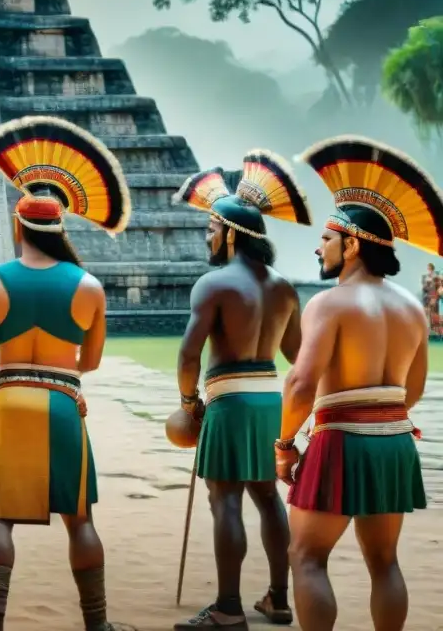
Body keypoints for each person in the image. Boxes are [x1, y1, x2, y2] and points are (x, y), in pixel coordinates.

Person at [0, 115, 131, 631]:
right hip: (62, 403)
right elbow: (93, 361)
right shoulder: (89, 287)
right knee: (80, 519)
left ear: (19, 226)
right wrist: (62, 380)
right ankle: (96, 624)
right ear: (60, 230)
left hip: (9, 401)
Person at [277, 135, 436, 631]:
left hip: (340, 441)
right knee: (384, 562)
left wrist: (284, 444)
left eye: (326, 238)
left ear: (351, 245)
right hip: (393, 444)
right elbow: (413, 392)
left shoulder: (327, 304)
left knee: (305, 556)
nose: (318, 247)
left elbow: (301, 384)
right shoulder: (413, 309)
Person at [169, 152, 313, 629]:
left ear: (230, 233)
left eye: (211, 228)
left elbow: (189, 356)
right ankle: (277, 598)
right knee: (268, 498)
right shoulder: (285, 289)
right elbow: (298, 356)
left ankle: (228, 608)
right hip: (269, 400)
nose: (207, 237)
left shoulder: (213, 285)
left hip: (228, 402)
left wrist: (190, 403)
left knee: (225, 498)